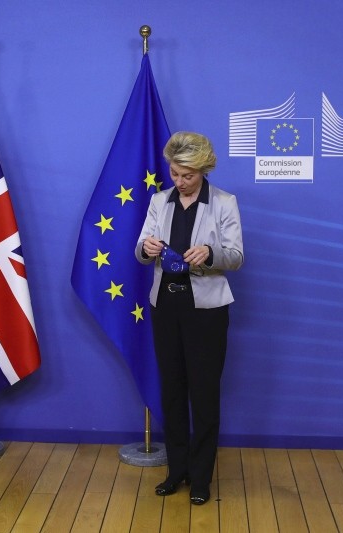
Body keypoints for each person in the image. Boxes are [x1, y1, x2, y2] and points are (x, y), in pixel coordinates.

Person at [135, 131, 243, 505]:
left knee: (204, 393)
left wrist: (210, 253)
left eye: (187, 176)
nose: (179, 182)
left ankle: (201, 478)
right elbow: (141, 248)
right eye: (174, 174)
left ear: (203, 169)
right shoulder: (159, 201)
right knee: (173, 391)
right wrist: (145, 248)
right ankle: (176, 471)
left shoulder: (224, 203)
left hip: (207, 313)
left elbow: (236, 256)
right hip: (165, 306)